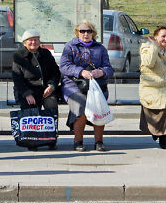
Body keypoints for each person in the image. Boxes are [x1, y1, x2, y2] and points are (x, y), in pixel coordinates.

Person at [59, 20, 114, 152]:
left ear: (93, 33)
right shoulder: (70, 47)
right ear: (77, 32)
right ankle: (78, 140)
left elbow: (109, 68)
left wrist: (101, 71)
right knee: (81, 104)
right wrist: (80, 71)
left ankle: (99, 141)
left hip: (95, 86)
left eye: (88, 31)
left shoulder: (100, 48)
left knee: (99, 104)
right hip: (73, 86)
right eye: (82, 31)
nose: (85, 34)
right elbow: (64, 66)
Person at [12, 28, 61, 151]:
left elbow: (55, 72)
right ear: (24, 43)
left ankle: (50, 138)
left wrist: (51, 86)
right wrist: (27, 94)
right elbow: (17, 78)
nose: (33, 42)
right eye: (30, 40)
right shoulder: (18, 56)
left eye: (36, 39)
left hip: (46, 89)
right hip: (27, 90)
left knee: (51, 104)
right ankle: (32, 140)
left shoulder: (46, 53)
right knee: (31, 110)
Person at [138, 26, 166, 149]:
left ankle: (161, 132)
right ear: (156, 37)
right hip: (151, 87)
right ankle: (161, 136)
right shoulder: (146, 48)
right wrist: (154, 46)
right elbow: (148, 63)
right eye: (163, 36)